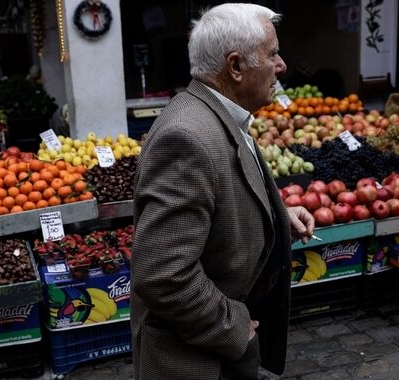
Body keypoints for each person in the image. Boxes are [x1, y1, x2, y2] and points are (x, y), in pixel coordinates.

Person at [130, 4, 314, 380]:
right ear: (235, 66)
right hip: (200, 361)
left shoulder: (220, 114)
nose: (281, 65)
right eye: (273, 53)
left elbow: (223, 195)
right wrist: (235, 328)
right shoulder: (188, 137)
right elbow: (163, 275)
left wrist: (276, 218)